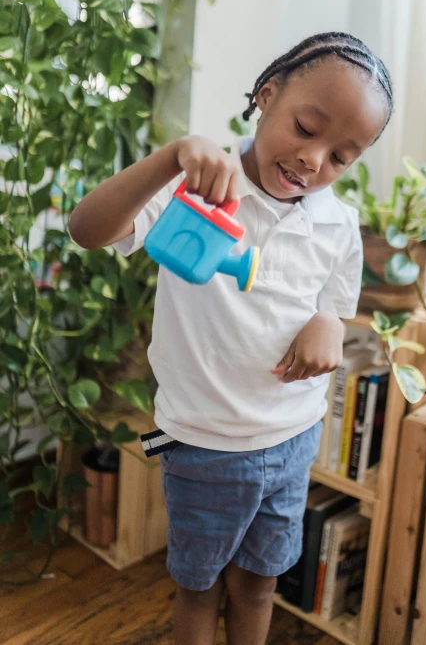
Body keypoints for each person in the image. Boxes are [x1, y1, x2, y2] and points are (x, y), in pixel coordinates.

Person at [69, 31, 393, 645]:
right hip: (202, 443)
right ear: (266, 96)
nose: (313, 160)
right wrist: (172, 158)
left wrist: (328, 321)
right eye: (304, 127)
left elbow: (337, 296)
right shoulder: (197, 186)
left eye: (340, 157)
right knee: (199, 587)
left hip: (292, 440)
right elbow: (88, 229)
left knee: (259, 585)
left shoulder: (338, 222)